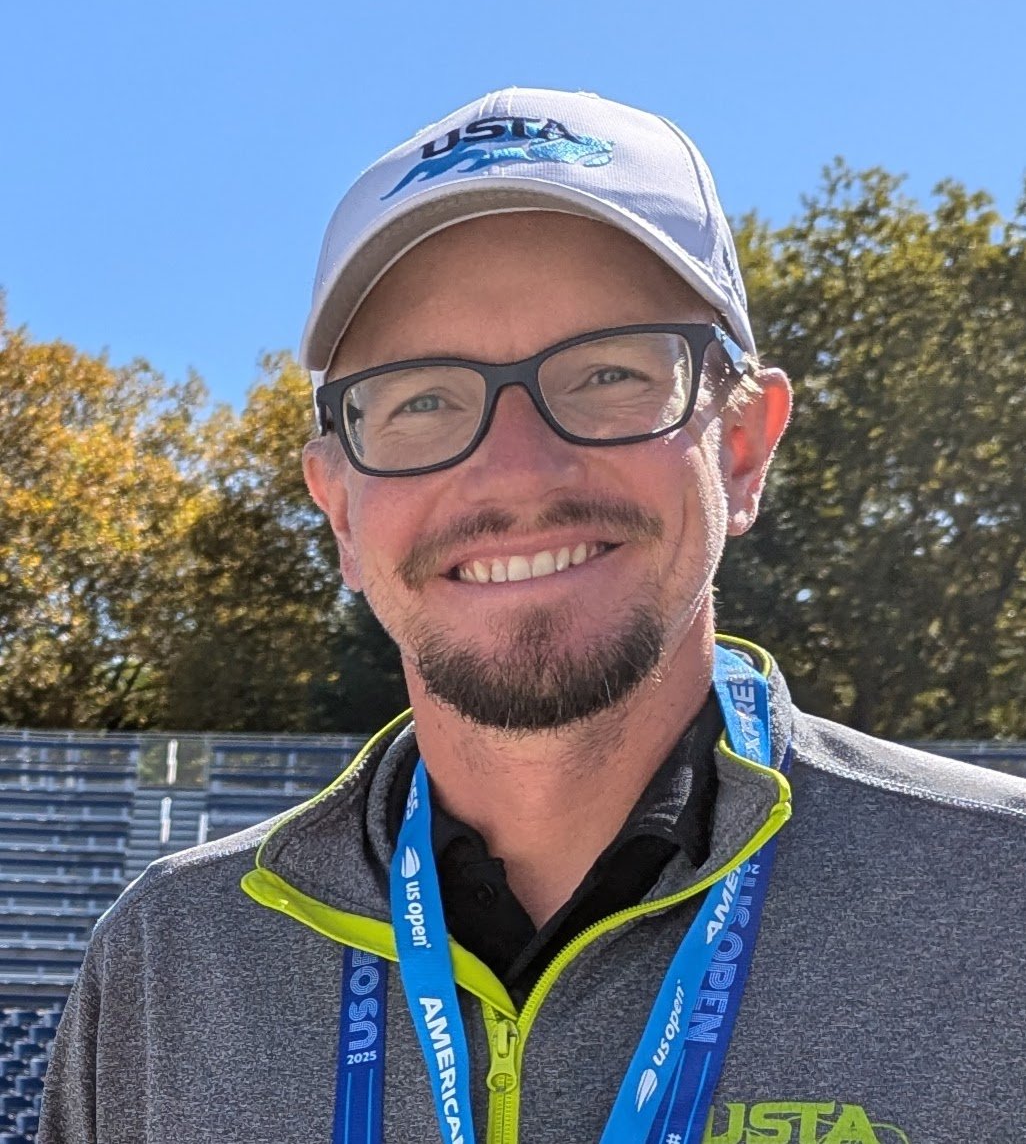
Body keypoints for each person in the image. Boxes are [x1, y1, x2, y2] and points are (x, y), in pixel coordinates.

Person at [40, 88, 1026, 1144]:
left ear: (742, 449)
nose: (516, 470)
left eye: (608, 372)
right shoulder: (169, 960)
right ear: (340, 509)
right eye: (423, 399)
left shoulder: (1001, 903)